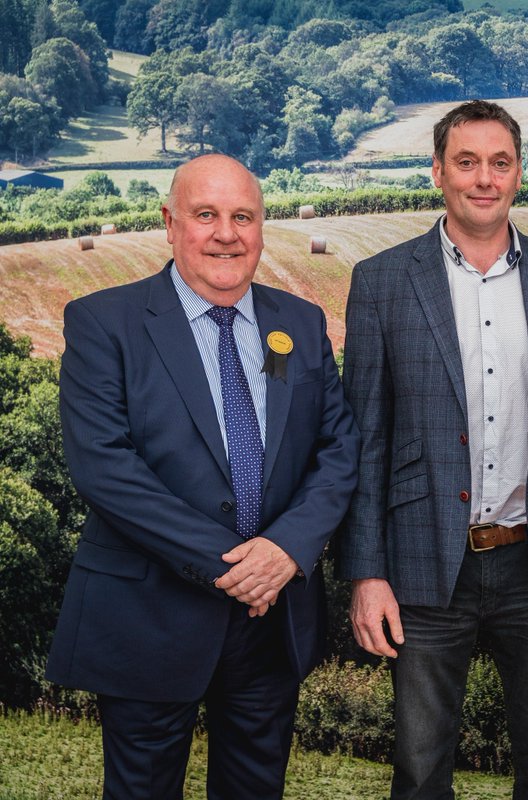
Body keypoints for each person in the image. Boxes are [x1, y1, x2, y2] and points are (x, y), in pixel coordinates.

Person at [46, 153, 360, 799]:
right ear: (170, 222)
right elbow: (106, 468)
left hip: (271, 621)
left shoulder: (298, 324)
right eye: (206, 215)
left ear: (262, 226)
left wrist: (285, 550)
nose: (226, 234)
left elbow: (337, 449)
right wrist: (239, 567)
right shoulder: (104, 322)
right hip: (148, 617)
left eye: (243, 217)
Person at [338, 99, 528, 800]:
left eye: (500, 162)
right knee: (420, 767)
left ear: (519, 172)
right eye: (466, 162)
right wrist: (366, 572)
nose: (484, 178)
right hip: (424, 561)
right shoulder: (381, 281)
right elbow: (365, 441)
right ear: (438, 171)